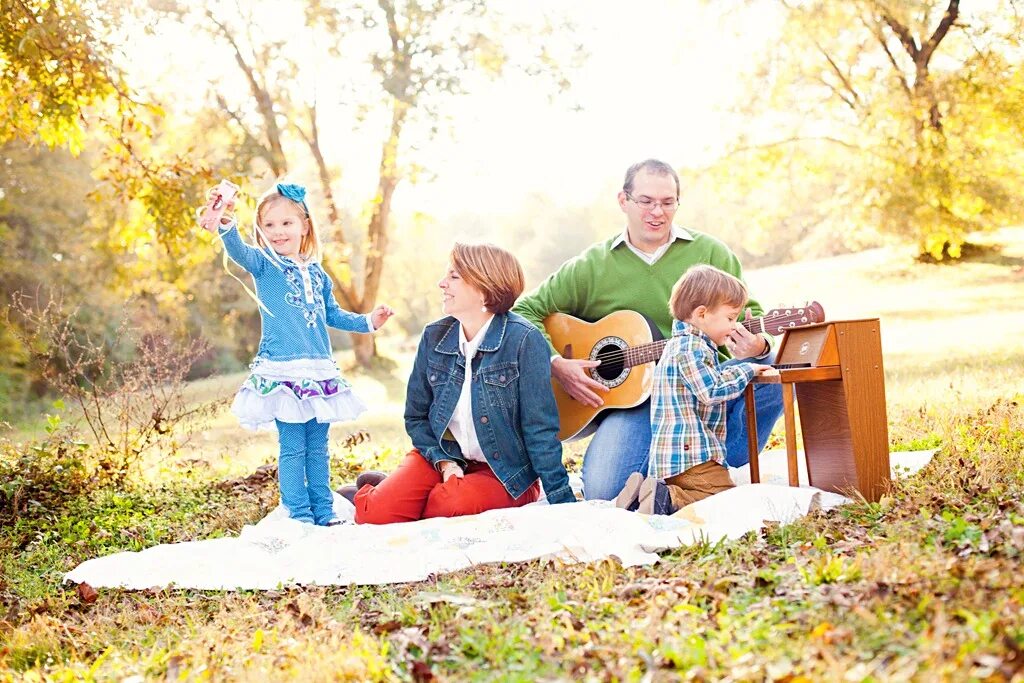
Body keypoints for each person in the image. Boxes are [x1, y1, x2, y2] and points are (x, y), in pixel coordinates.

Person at [512, 159, 784, 501]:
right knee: (604, 490)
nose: (658, 212)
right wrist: (556, 363)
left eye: (668, 202)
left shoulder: (710, 253)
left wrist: (758, 346)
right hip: (631, 401)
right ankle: (677, 473)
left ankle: (692, 471)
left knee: (773, 371)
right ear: (623, 201)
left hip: (698, 388)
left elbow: (750, 314)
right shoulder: (591, 266)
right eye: (646, 201)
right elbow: (524, 310)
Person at [201, 182, 394, 526]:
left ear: (304, 225)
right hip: (283, 372)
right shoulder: (265, 265)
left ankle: (323, 510)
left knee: (317, 447)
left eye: (286, 223)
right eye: (269, 225)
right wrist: (225, 222)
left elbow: (332, 314)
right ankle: (299, 514)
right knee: (293, 447)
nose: (278, 232)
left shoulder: (318, 273)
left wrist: (369, 321)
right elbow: (238, 252)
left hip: (319, 372)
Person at [352, 243, 575, 524]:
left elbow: (539, 427)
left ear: (484, 287)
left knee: (450, 504)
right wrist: (445, 464)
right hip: (442, 458)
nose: (441, 283)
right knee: (377, 515)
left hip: (504, 471)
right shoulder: (435, 336)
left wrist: (562, 499)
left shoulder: (524, 340)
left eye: (454, 277)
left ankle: (394, 493)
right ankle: (381, 497)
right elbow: (416, 416)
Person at [615, 265, 775, 515]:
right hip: (693, 457)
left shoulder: (677, 346)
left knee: (701, 491)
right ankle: (668, 498)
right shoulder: (693, 349)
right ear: (702, 314)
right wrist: (747, 369)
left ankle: (640, 496)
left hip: (674, 458)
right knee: (721, 497)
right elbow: (711, 390)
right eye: (731, 318)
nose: (734, 326)